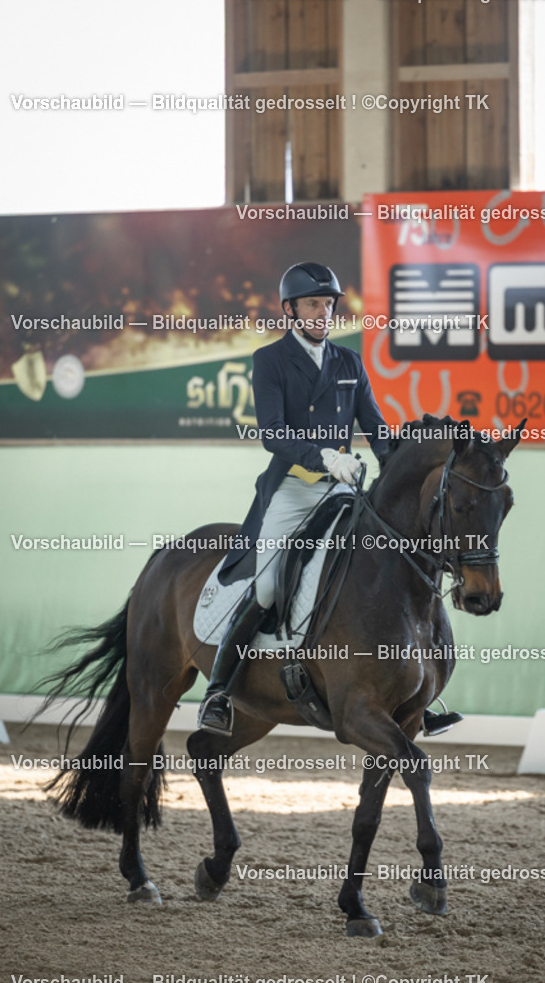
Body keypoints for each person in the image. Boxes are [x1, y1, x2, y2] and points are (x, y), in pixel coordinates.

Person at [197, 261, 389, 735]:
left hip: (342, 491)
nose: (322, 312)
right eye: (312, 304)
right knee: (266, 587)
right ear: (290, 310)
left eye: (327, 304)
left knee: (383, 565)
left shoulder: (350, 362)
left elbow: (377, 428)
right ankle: (219, 691)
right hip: (293, 487)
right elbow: (272, 434)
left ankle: (412, 687)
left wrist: (397, 464)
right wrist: (325, 456)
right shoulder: (271, 360)